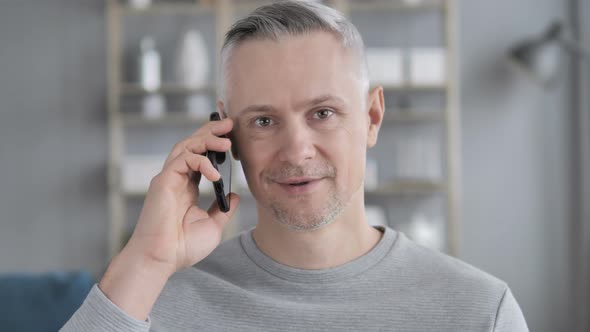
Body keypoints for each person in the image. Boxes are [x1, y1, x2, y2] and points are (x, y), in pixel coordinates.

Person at [62, 1, 529, 331]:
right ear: (228, 136)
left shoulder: (478, 312)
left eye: (322, 114)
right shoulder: (150, 302)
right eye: (264, 121)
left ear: (371, 117)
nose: (296, 150)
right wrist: (147, 259)